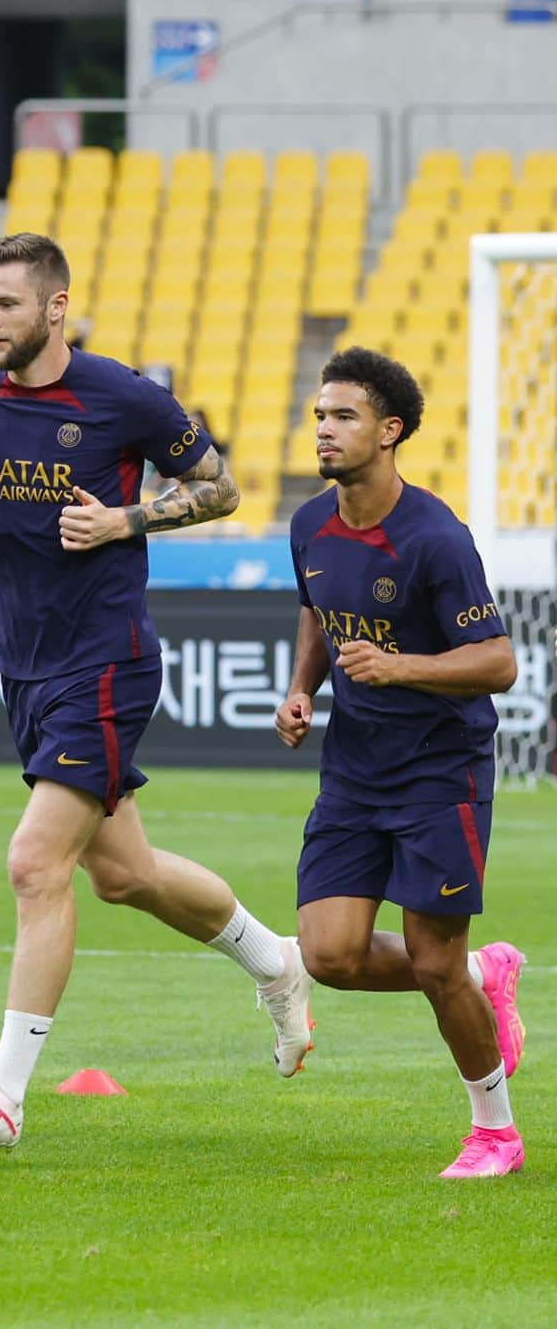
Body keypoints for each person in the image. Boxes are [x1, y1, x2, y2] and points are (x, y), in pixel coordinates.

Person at [0, 232, 314, 1153]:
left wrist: (126, 517)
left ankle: (2, 1098)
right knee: (124, 874)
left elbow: (223, 487)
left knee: (34, 864)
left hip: (107, 657)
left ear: (53, 308)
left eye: (4, 304)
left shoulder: (122, 395)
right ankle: (276, 962)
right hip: (23, 662)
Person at [275, 346, 526, 1180]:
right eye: (319, 414)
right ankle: (484, 974)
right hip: (353, 770)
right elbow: (318, 612)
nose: (324, 429)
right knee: (329, 955)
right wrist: (302, 689)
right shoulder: (309, 523)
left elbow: (497, 662)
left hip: (437, 771)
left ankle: (495, 1129)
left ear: (390, 432)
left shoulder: (435, 537)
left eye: (343, 416)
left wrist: (402, 667)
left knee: (430, 958)